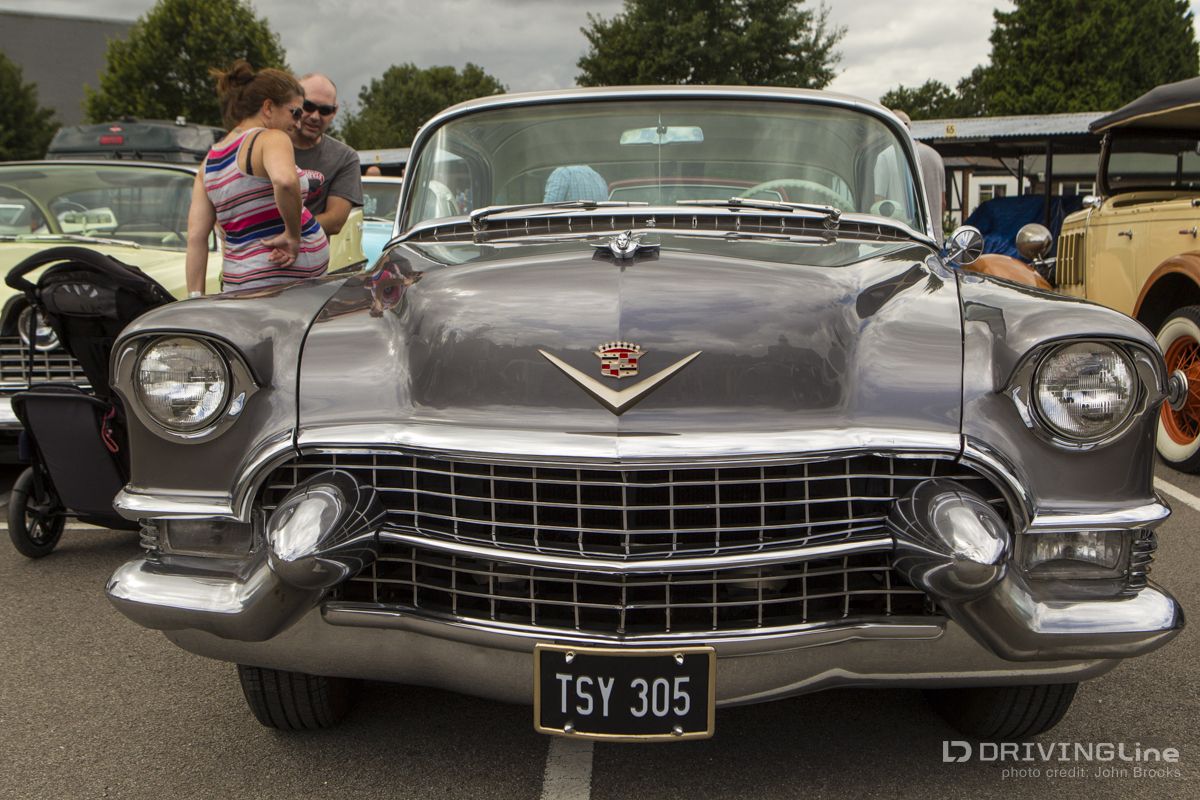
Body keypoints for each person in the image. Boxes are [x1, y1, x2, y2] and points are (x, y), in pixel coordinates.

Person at [186, 61, 329, 295]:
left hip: (240, 285)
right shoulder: (270, 138)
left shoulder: (209, 163)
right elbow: (284, 181)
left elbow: (196, 237)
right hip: (285, 289)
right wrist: (293, 236)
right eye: (294, 112)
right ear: (268, 107)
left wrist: (195, 297)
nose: (298, 122)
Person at [291, 73, 363, 235]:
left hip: (309, 257)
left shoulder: (344, 157)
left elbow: (335, 221)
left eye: (324, 110)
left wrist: (285, 232)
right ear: (295, 102)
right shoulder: (266, 142)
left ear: (335, 111)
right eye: (308, 106)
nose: (315, 116)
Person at [892, 109, 946, 244]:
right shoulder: (935, 156)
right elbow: (943, 203)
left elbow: (879, 204)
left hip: (901, 240)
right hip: (935, 240)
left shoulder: (888, 155)